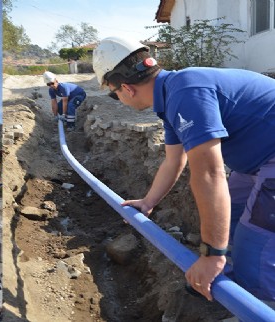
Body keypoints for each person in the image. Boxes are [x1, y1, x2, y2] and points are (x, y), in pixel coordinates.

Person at [92, 36, 275, 305]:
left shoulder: (187, 92)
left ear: (126, 88)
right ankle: (237, 283)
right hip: (259, 160)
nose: (118, 99)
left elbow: (210, 174)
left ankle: (259, 303)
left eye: (113, 93)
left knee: (254, 243)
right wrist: (148, 202)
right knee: (234, 214)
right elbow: (173, 161)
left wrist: (211, 254)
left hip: (268, 159)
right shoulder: (171, 96)